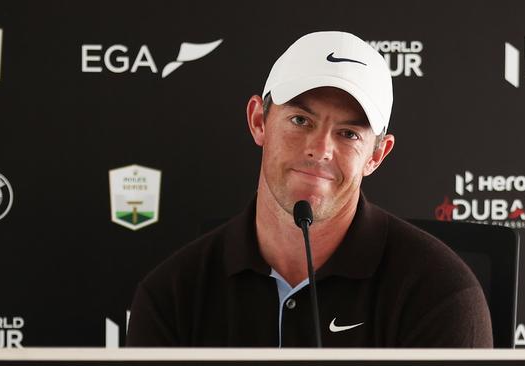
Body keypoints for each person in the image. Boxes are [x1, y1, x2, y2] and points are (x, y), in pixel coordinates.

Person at [126, 31, 492, 347]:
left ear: (376, 155)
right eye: (300, 120)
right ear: (259, 122)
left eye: (349, 133)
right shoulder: (171, 294)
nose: (320, 148)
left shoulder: (441, 293)